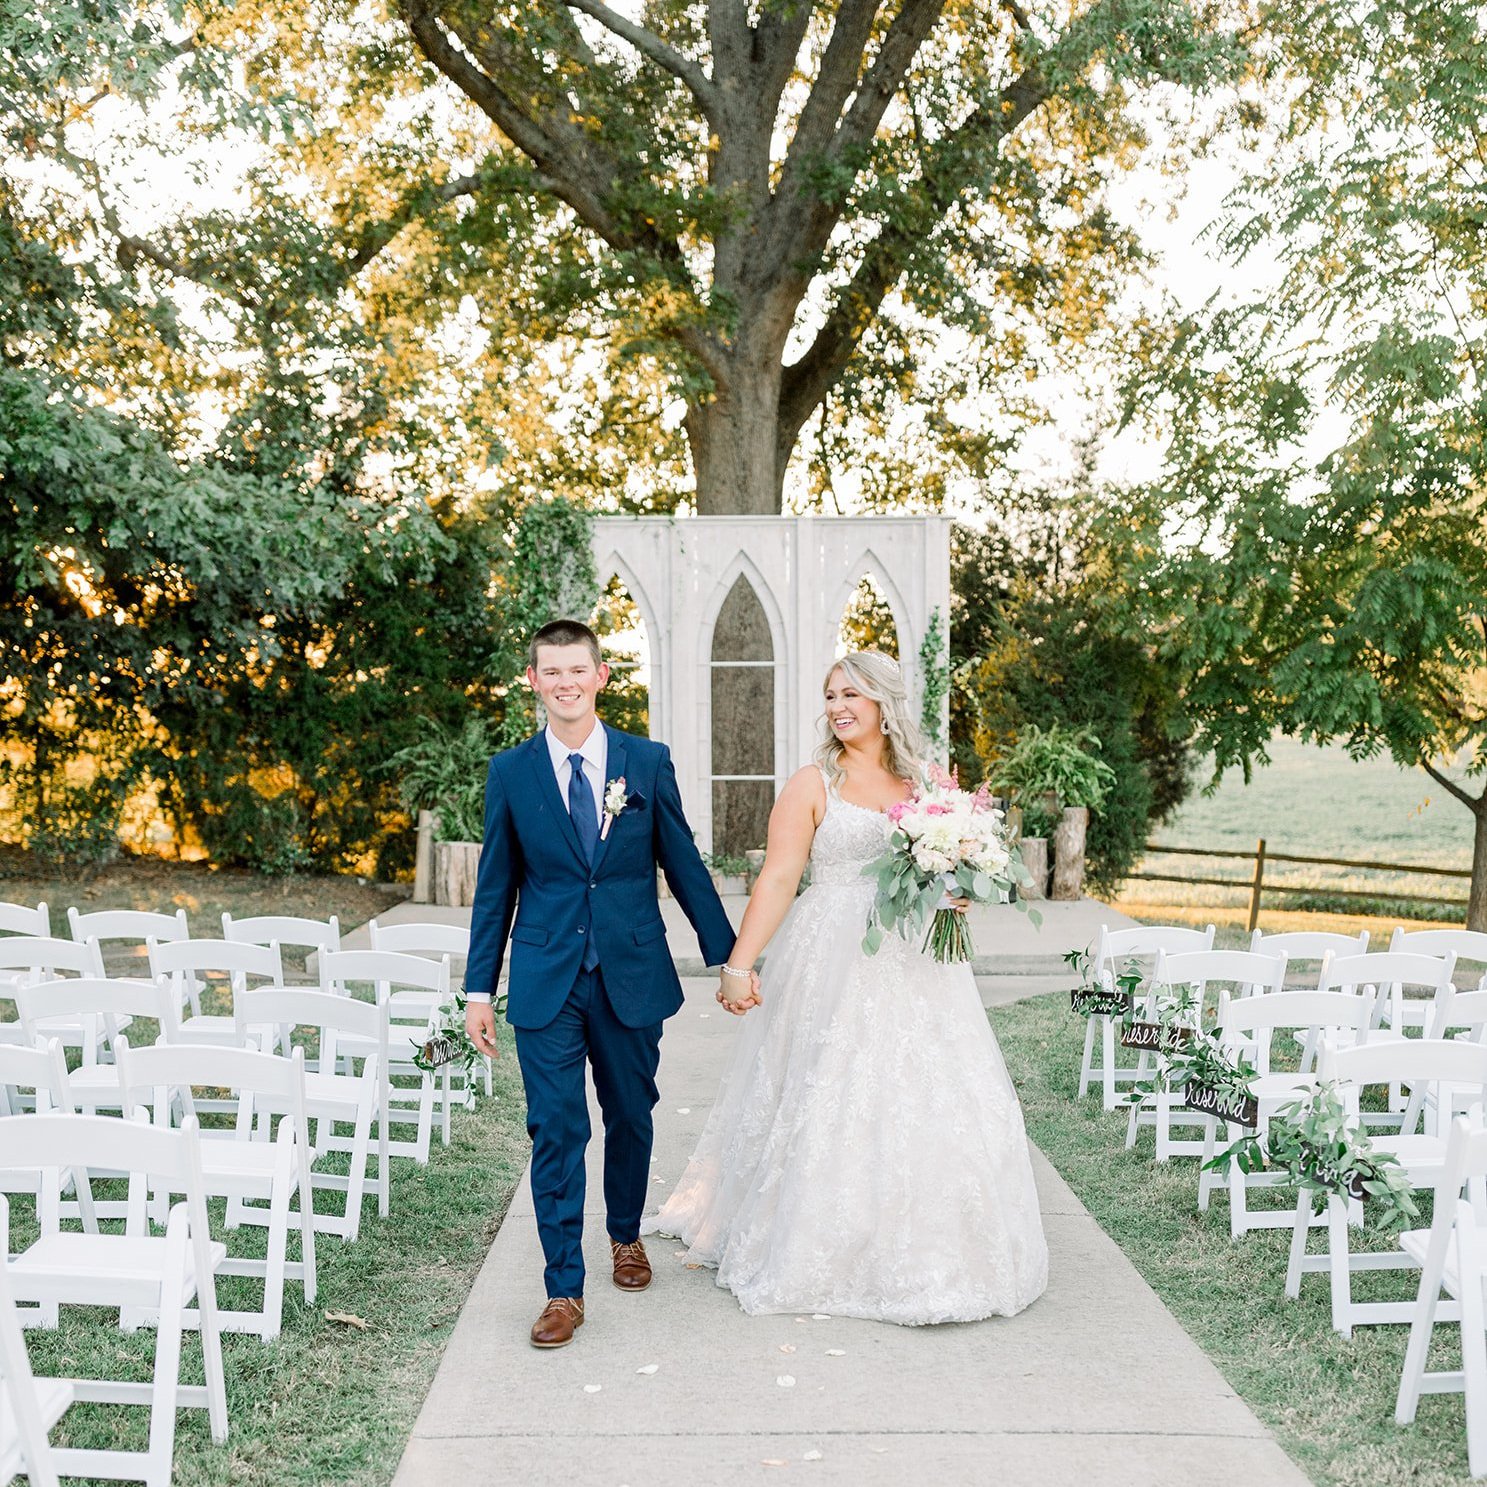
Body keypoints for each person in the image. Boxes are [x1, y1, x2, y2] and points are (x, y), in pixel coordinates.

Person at [644, 650, 1048, 1324]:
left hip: (914, 956)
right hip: (829, 953)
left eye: (851, 694)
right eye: (831, 695)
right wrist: (739, 963)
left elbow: (945, 864)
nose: (837, 707)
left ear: (884, 704)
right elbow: (779, 877)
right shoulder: (812, 783)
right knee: (827, 1086)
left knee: (922, 1092)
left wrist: (956, 889)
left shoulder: (924, 782)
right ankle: (814, 1237)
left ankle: (932, 1246)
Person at [464, 618, 756, 1349]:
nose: (564, 683)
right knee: (556, 1126)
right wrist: (478, 990)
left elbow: (682, 864)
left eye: (577, 670)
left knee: (630, 1111)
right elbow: (495, 888)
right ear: (533, 681)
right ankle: (563, 1288)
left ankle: (625, 1235)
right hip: (546, 979)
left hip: (629, 971)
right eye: (550, 671)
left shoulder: (645, 762)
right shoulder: (511, 772)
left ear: (600, 676)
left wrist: (729, 957)